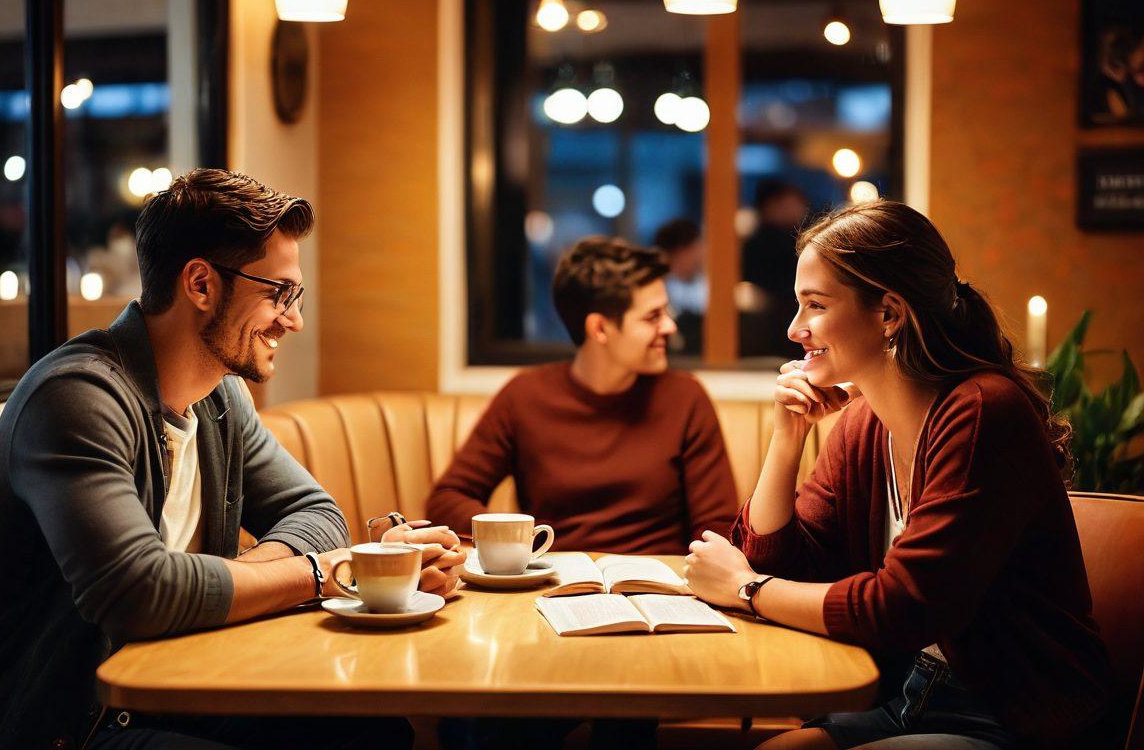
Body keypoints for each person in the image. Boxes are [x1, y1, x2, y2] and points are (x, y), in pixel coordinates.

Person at [0, 169, 464, 750]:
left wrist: (257, 573)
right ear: (202, 285)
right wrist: (331, 573)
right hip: (60, 722)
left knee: (369, 733)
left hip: (181, 686)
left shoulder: (219, 398)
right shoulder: (75, 398)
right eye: (278, 293)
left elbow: (316, 514)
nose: (294, 319)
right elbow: (139, 593)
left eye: (296, 295)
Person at [685, 201, 1110, 750]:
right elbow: (778, 559)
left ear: (889, 313)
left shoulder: (982, 411)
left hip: (1014, 713)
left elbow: (903, 607)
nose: (795, 329)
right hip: (906, 694)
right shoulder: (863, 424)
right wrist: (786, 439)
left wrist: (746, 590)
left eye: (814, 305)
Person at [426, 235, 738, 556]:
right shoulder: (524, 397)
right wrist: (516, 541)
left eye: (666, 312)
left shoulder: (685, 398)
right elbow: (448, 498)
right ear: (599, 329)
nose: (670, 327)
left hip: (659, 585)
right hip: (553, 584)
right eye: (652, 317)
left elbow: (717, 526)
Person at [741, 179, 811, 359]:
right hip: (772, 329)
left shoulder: (795, 239)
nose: (801, 207)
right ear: (771, 205)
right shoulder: (761, 243)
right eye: (793, 202)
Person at [652, 218, 706, 355]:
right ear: (681, 251)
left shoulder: (696, 285)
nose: (703, 254)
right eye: (698, 246)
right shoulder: (656, 290)